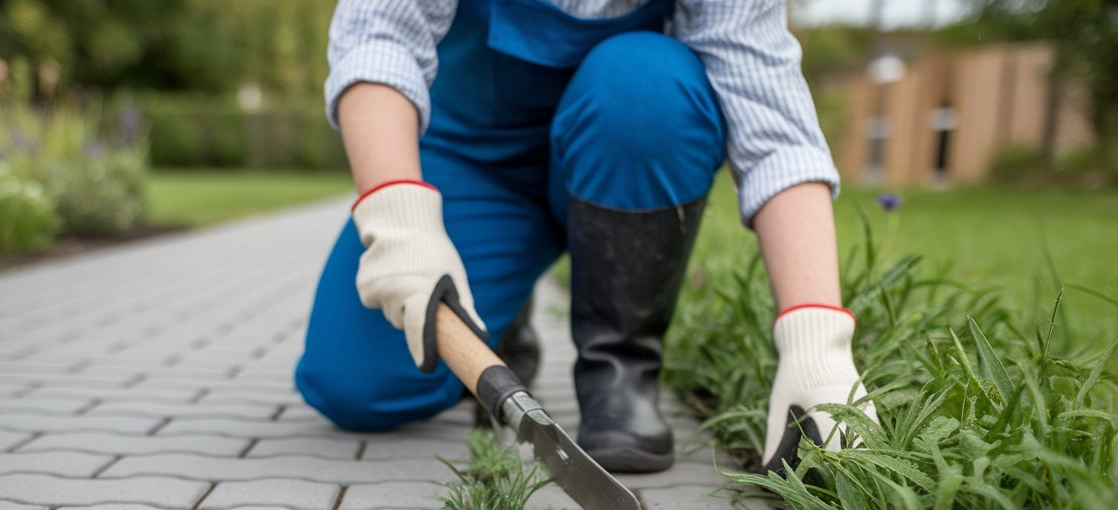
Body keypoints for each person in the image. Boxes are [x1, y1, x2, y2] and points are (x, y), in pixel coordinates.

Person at [295, 0, 877, 473]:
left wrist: (816, 340)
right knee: (357, 384)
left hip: (621, 155)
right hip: (474, 164)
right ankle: (507, 307)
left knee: (646, 82)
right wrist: (401, 225)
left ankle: (619, 369)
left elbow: (772, 124)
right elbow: (379, 37)